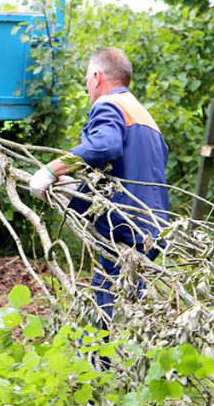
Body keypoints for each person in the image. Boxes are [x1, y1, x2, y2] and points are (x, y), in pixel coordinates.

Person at [29, 47, 169, 325]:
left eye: (86, 81)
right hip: (150, 227)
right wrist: (71, 194)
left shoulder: (109, 105)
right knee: (129, 310)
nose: (87, 88)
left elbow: (104, 146)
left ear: (96, 77)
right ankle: (126, 364)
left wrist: (50, 170)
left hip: (125, 230)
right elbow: (126, 172)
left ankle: (100, 368)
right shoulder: (142, 115)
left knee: (104, 315)